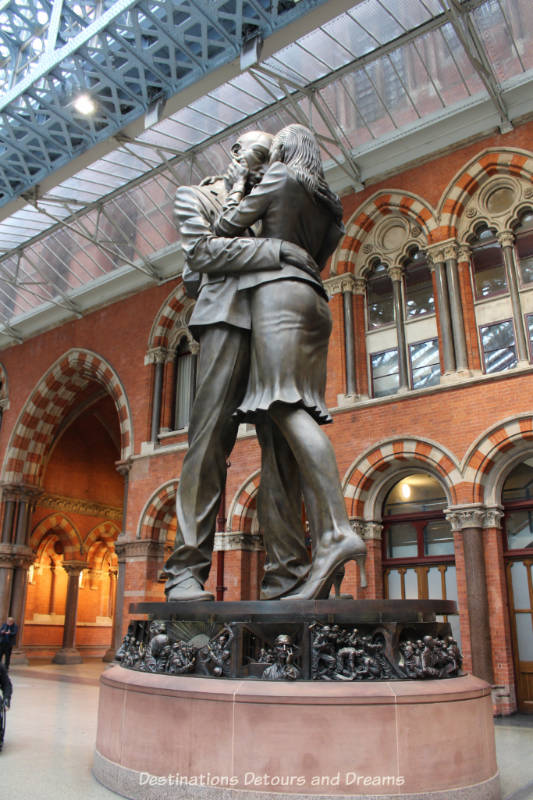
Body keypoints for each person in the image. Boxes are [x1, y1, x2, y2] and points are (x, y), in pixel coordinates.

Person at [164, 130, 318, 601]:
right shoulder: (196, 196)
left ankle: (287, 575)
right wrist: (276, 252)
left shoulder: (282, 192)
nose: (264, 163)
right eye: (256, 153)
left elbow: (308, 252)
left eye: (271, 155)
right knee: (209, 439)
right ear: (234, 154)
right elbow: (203, 253)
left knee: (284, 447)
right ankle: (185, 572)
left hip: (279, 320)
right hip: (227, 317)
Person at [215, 124, 366, 600]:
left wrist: (243, 182)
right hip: (315, 299)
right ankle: (318, 559)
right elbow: (319, 254)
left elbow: (226, 226)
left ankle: (336, 532)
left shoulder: (279, 176)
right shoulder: (328, 201)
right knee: (285, 423)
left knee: (283, 406)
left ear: (283, 149)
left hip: (278, 296)